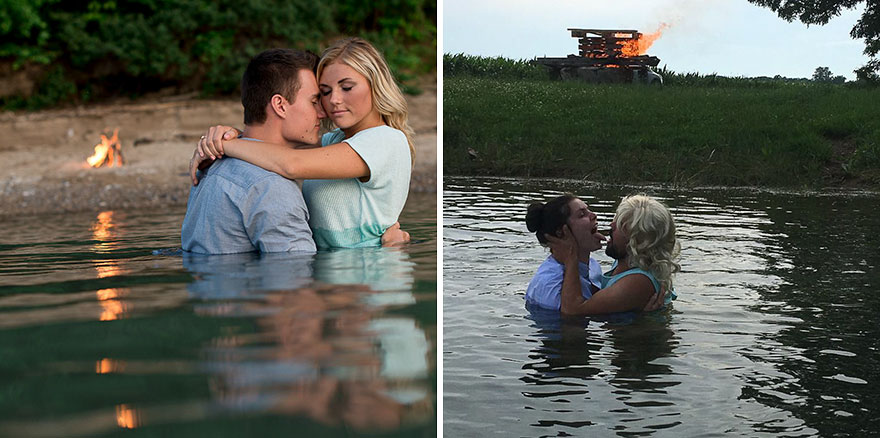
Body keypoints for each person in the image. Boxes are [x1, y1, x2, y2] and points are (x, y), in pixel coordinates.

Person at [190, 37, 414, 249]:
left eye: (346, 88)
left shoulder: (386, 140)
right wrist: (230, 134)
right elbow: (275, 148)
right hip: (333, 282)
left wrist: (225, 145)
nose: (333, 100)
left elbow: (291, 163)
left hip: (368, 280)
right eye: (324, 92)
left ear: (375, 85)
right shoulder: (333, 141)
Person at [181, 48, 322, 254]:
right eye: (314, 102)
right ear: (280, 105)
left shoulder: (211, 167)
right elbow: (296, 278)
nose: (323, 112)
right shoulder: (271, 188)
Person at [546, 194, 681, 316]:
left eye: (621, 225)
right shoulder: (626, 262)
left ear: (638, 241)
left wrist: (571, 258)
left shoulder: (638, 281)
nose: (612, 225)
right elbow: (605, 295)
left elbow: (572, 310)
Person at [524, 194, 606, 311]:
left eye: (589, 210)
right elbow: (569, 327)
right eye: (582, 214)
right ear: (561, 232)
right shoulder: (548, 286)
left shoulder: (593, 266)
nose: (593, 215)